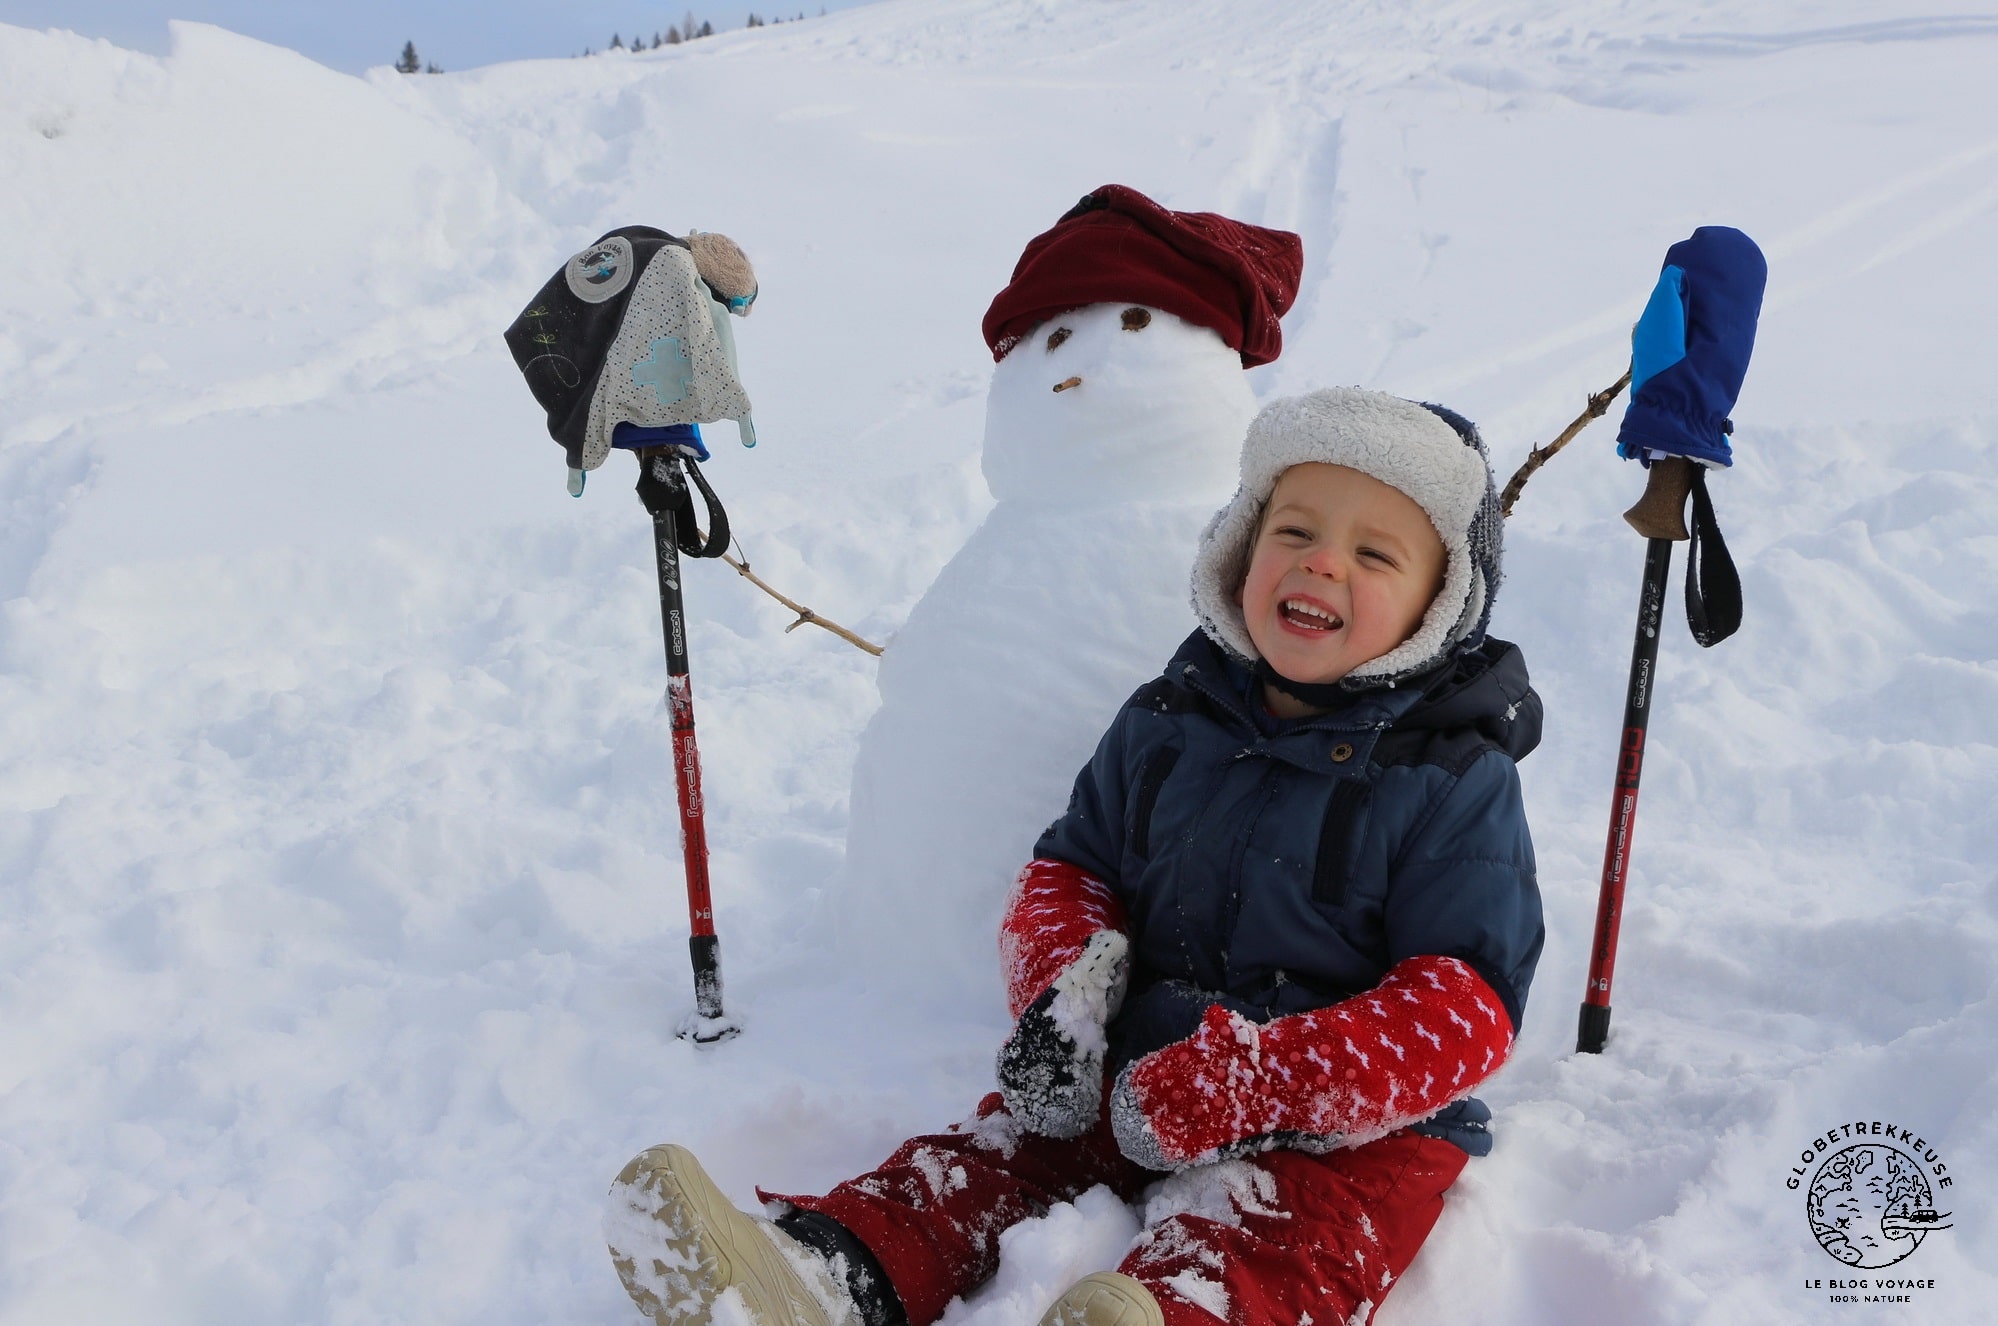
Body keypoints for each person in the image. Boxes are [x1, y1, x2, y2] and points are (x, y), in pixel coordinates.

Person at [606, 387, 1545, 1326]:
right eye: (1293, 530)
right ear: (1241, 548)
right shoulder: (1168, 720)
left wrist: (1256, 1079)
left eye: (1375, 553)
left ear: (1441, 605)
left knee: (1274, 1241)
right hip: (1141, 1072)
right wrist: (1067, 999)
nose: (1323, 561)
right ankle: (816, 1279)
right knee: (982, 1162)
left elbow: (1466, 1004)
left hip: (1349, 1132)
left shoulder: (1454, 780)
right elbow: (1071, 869)